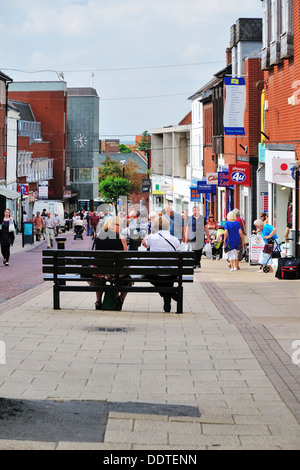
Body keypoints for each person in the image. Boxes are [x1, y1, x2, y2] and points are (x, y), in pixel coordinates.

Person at [89, 216, 131, 310]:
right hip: (117, 274)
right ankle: (120, 300)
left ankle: (98, 301)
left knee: (99, 278)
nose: (120, 227)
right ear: (113, 225)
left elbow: (96, 256)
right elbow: (127, 257)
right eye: (119, 225)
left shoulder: (99, 236)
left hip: (100, 273)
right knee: (128, 279)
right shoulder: (121, 238)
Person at [142, 215, 181, 313]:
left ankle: (169, 294)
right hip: (171, 273)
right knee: (168, 274)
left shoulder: (151, 237)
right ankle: (170, 294)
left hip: (155, 274)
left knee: (151, 273)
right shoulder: (175, 240)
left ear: (154, 226)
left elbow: (145, 244)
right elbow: (178, 257)